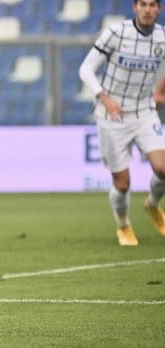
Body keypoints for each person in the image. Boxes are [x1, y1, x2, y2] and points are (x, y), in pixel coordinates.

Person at [79, 0, 165, 246]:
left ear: (159, 9)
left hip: (144, 112)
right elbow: (85, 69)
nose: (148, 10)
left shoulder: (161, 37)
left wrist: (159, 92)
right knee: (123, 182)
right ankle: (124, 225)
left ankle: (153, 204)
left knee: (163, 169)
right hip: (112, 116)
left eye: (153, 5)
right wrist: (104, 98)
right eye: (143, 4)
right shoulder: (117, 33)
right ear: (135, 7)